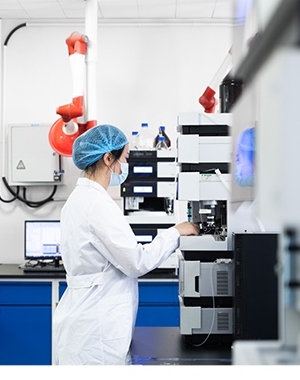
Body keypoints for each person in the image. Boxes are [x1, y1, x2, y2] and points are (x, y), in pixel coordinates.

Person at [52, 124, 199, 365]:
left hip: (83, 321)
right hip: (96, 333)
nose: (125, 166)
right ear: (108, 158)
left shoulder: (78, 200)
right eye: (125, 158)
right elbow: (136, 262)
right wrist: (175, 233)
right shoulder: (97, 204)